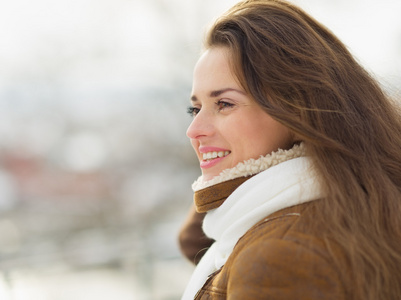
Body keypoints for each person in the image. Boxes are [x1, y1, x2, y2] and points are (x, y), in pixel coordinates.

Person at [178, 0, 401, 299]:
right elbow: (195, 241)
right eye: (196, 109)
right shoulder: (350, 202)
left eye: (225, 104)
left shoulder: (277, 257)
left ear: (296, 112)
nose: (194, 131)